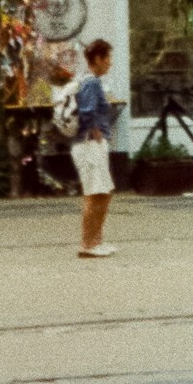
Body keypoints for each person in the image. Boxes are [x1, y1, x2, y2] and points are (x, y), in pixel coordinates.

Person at [73, 37, 122, 259]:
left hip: (93, 144)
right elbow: (86, 110)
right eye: (108, 58)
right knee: (94, 194)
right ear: (98, 59)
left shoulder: (90, 80)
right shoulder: (91, 82)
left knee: (103, 193)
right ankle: (88, 244)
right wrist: (94, 130)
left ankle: (96, 240)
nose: (110, 62)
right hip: (89, 144)